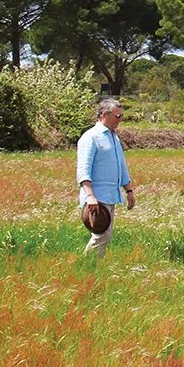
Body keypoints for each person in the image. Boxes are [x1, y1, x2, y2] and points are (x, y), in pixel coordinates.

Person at [76, 97, 136, 255]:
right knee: (102, 236)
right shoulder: (91, 137)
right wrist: (90, 196)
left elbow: (121, 166)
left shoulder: (113, 137)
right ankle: (86, 264)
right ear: (104, 114)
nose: (120, 120)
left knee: (104, 236)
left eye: (121, 116)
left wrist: (128, 191)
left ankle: (92, 266)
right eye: (117, 116)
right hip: (96, 198)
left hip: (110, 196)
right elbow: (83, 170)